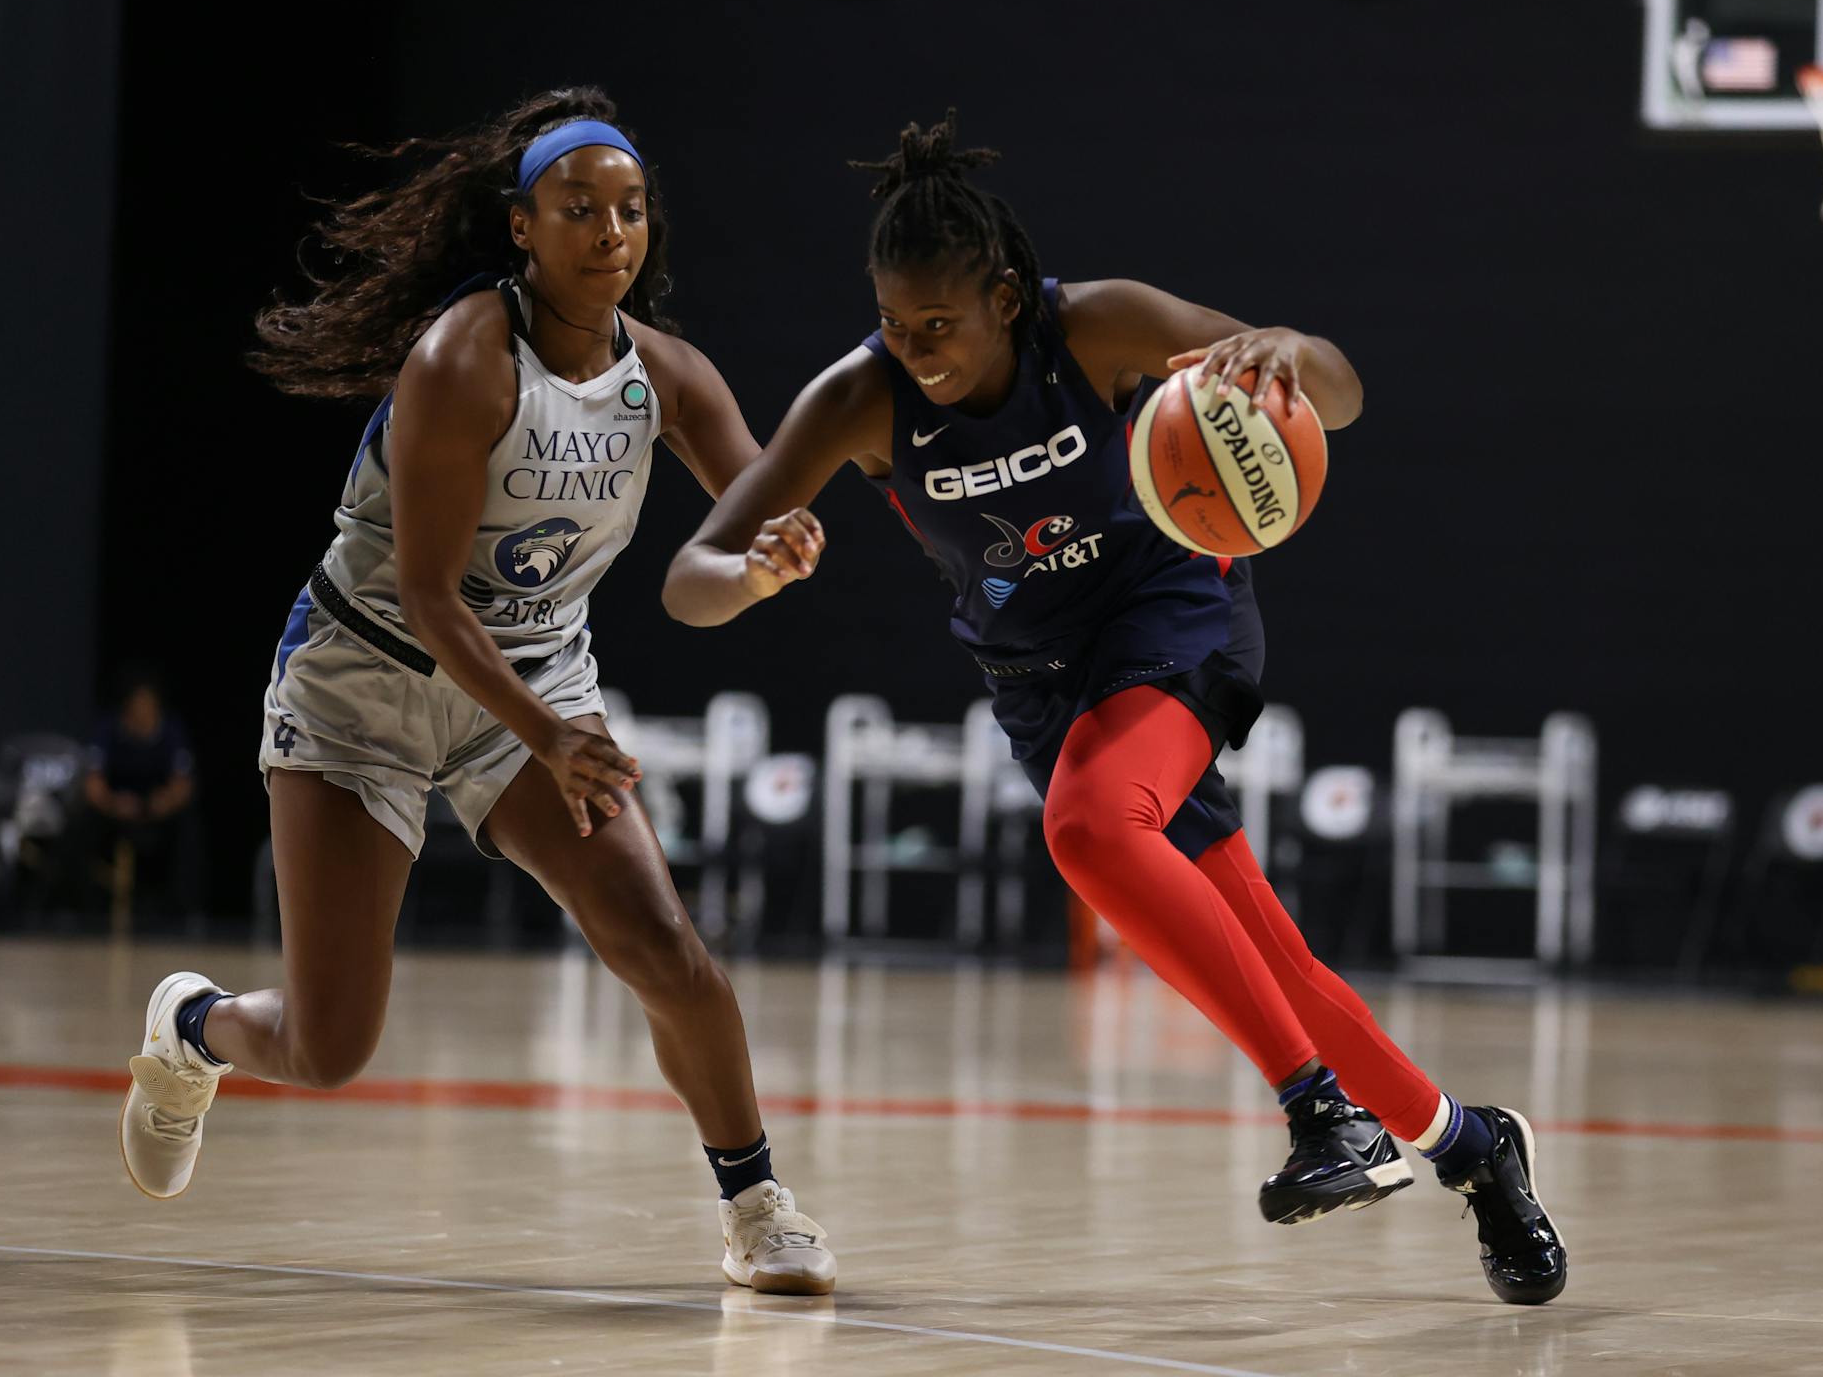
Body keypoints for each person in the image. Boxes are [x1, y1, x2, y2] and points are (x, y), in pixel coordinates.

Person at [663, 112, 1564, 1304]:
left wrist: (1287, 349)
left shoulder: (1096, 325)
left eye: (939, 325)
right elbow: (689, 580)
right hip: (1043, 687)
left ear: (1004, 297)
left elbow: (1338, 395)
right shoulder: (857, 400)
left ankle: (1322, 1114)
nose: (915, 350)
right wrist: (751, 575)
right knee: (1271, 959)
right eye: (894, 323)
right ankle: (1471, 1145)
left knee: (1088, 830)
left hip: (1176, 617)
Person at [116, 88, 837, 1296]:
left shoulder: (668, 377)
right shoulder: (463, 360)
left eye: (631, 210)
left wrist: (769, 559)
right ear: (520, 227)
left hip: (535, 682)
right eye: (580, 209)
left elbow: (734, 536)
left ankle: (757, 1206)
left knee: (666, 949)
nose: (611, 232)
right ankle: (192, 1027)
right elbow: (432, 596)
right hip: (365, 682)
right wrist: (550, 736)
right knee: (330, 1047)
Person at [80, 670, 197, 917]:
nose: (143, 712)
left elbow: (183, 784)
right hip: (117, 810)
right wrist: (113, 803)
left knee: (189, 826)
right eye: (138, 706)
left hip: (155, 811)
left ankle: (182, 911)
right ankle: (80, 907)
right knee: (82, 821)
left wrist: (165, 801)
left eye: (149, 705)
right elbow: (93, 783)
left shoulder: (171, 730)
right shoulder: (109, 729)